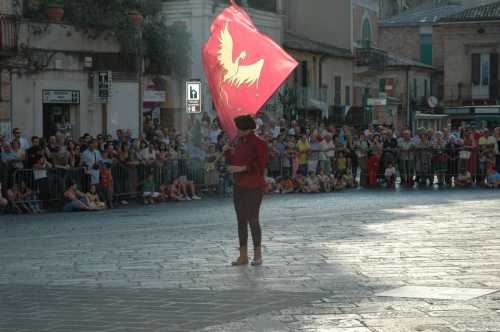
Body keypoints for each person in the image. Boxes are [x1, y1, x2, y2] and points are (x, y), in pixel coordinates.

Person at [228, 115, 269, 266]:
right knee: (240, 220)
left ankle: (257, 255)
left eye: (238, 128)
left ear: (245, 129)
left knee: (253, 219)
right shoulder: (239, 143)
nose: (236, 131)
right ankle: (243, 255)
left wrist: (243, 168)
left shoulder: (260, 143)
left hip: (254, 186)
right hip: (239, 184)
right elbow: (235, 161)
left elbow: (261, 164)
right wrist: (228, 154)